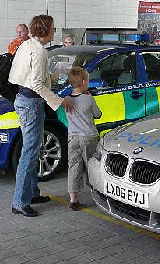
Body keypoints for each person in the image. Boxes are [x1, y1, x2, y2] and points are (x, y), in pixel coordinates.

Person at [8, 15, 74, 217]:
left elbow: (26, 76)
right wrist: (59, 101)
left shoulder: (27, 45)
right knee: (29, 152)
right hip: (31, 103)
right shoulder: (39, 51)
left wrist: (52, 76)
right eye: (53, 28)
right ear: (45, 30)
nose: (55, 32)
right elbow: (36, 85)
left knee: (34, 150)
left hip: (23, 99)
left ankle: (32, 193)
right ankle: (19, 202)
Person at [65, 67, 101, 211]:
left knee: (73, 166)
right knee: (91, 165)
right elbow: (98, 114)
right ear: (84, 82)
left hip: (72, 137)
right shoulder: (88, 99)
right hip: (88, 137)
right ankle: (96, 193)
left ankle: (73, 199)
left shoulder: (67, 101)